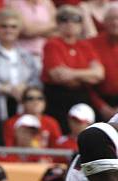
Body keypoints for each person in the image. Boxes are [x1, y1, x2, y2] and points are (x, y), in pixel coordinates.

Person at [42, 4, 104, 133]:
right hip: (58, 97)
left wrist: (72, 73)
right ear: (58, 23)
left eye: (75, 20)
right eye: (64, 19)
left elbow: (99, 74)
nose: (70, 23)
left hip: (82, 95)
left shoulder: (85, 45)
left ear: (81, 25)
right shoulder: (52, 44)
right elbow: (58, 76)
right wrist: (86, 75)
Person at [0, 8, 40, 123]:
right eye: (4, 26)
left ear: (19, 30)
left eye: (13, 27)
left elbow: (36, 81)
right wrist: (2, 88)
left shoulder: (27, 56)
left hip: (22, 112)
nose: (9, 30)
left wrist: (25, 89)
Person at [6, 0, 56, 65]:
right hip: (21, 55)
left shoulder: (47, 2)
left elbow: (57, 26)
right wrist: (49, 27)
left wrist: (33, 28)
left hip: (45, 54)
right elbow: (26, 31)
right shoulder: (13, 2)